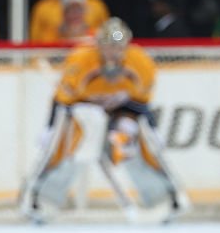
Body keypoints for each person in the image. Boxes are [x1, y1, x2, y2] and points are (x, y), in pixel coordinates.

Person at [21, 17, 187, 222]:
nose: (114, 54)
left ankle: (163, 200)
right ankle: (41, 200)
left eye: (118, 47)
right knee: (69, 149)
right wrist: (50, 128)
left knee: (129, 143)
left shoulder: (140, 62)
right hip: (85, 111)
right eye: (109, 47)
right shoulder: (80, 60)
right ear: (98, 45)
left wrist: (151, 127)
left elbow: (141, 102)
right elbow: (63, 99)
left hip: (122, 110)